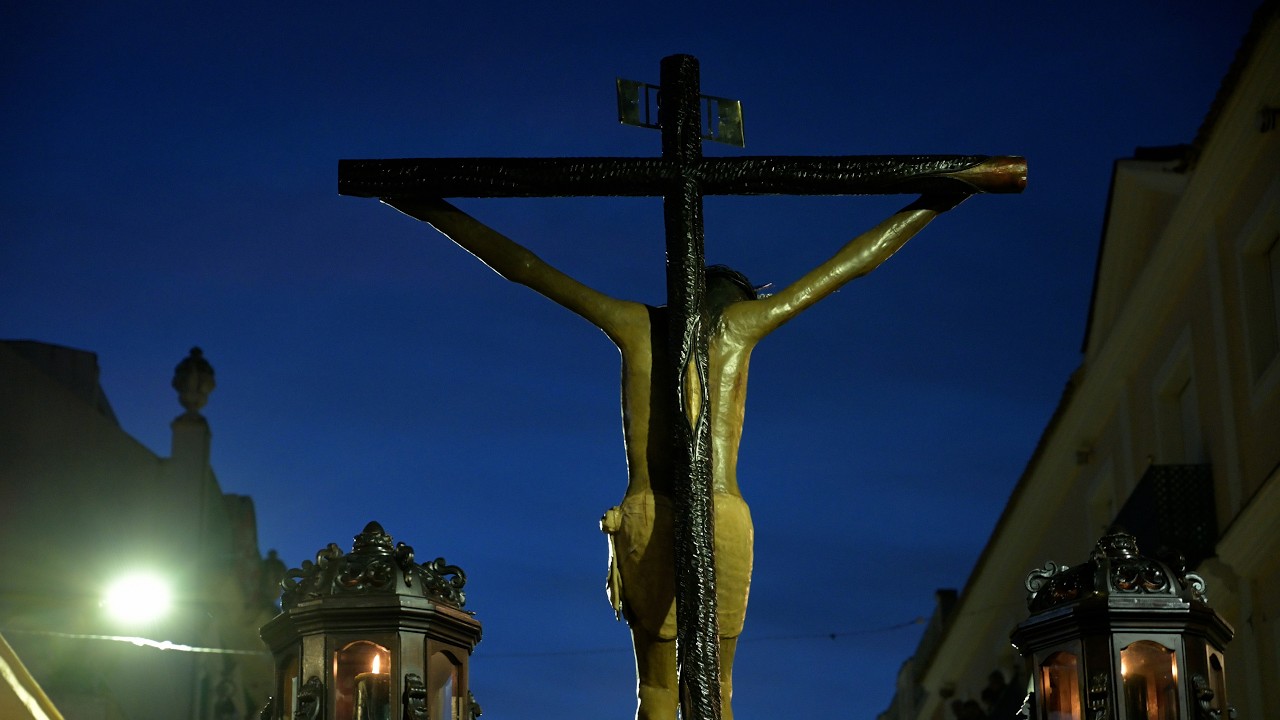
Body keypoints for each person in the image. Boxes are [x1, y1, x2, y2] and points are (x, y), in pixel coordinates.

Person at [383, 193, 968, 720]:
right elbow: (850, 265)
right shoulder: (742, 325)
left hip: (647, 511)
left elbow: (526, 269)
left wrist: (430, 208)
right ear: (732, 294)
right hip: (721, 510)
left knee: (656, 690)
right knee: (718, 685)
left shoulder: (637, 324)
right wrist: (939, 201)